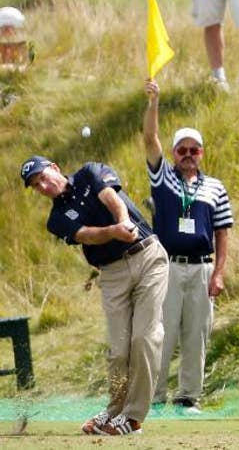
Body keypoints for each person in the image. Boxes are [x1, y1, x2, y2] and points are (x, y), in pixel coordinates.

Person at [23, 157, 168, 435]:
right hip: (112, 273)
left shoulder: (90, 172)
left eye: (43, 177)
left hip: (148, 256)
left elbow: (111, 198)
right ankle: (115, 411)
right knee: (118, 350)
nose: (43, 186)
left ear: (54, 167)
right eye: (36, 185)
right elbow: (86, 235)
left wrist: (123, 222)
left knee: (144, 337)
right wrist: (114, 232)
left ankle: (133, 418)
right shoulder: (56, 219)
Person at [141, 80, 230, 412]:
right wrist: (154, 102)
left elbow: (223, 232)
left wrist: (219, 273)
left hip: (202, 267)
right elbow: (149, 139)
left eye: (195, 150)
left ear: (201, 153)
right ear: (174, 153)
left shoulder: (215, 187)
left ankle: (188, 397)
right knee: (161, 334)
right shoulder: (163, 177)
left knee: (197, 335)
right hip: (167, 266)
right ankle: (153, 397)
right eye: (182, 150)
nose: (189, 155)